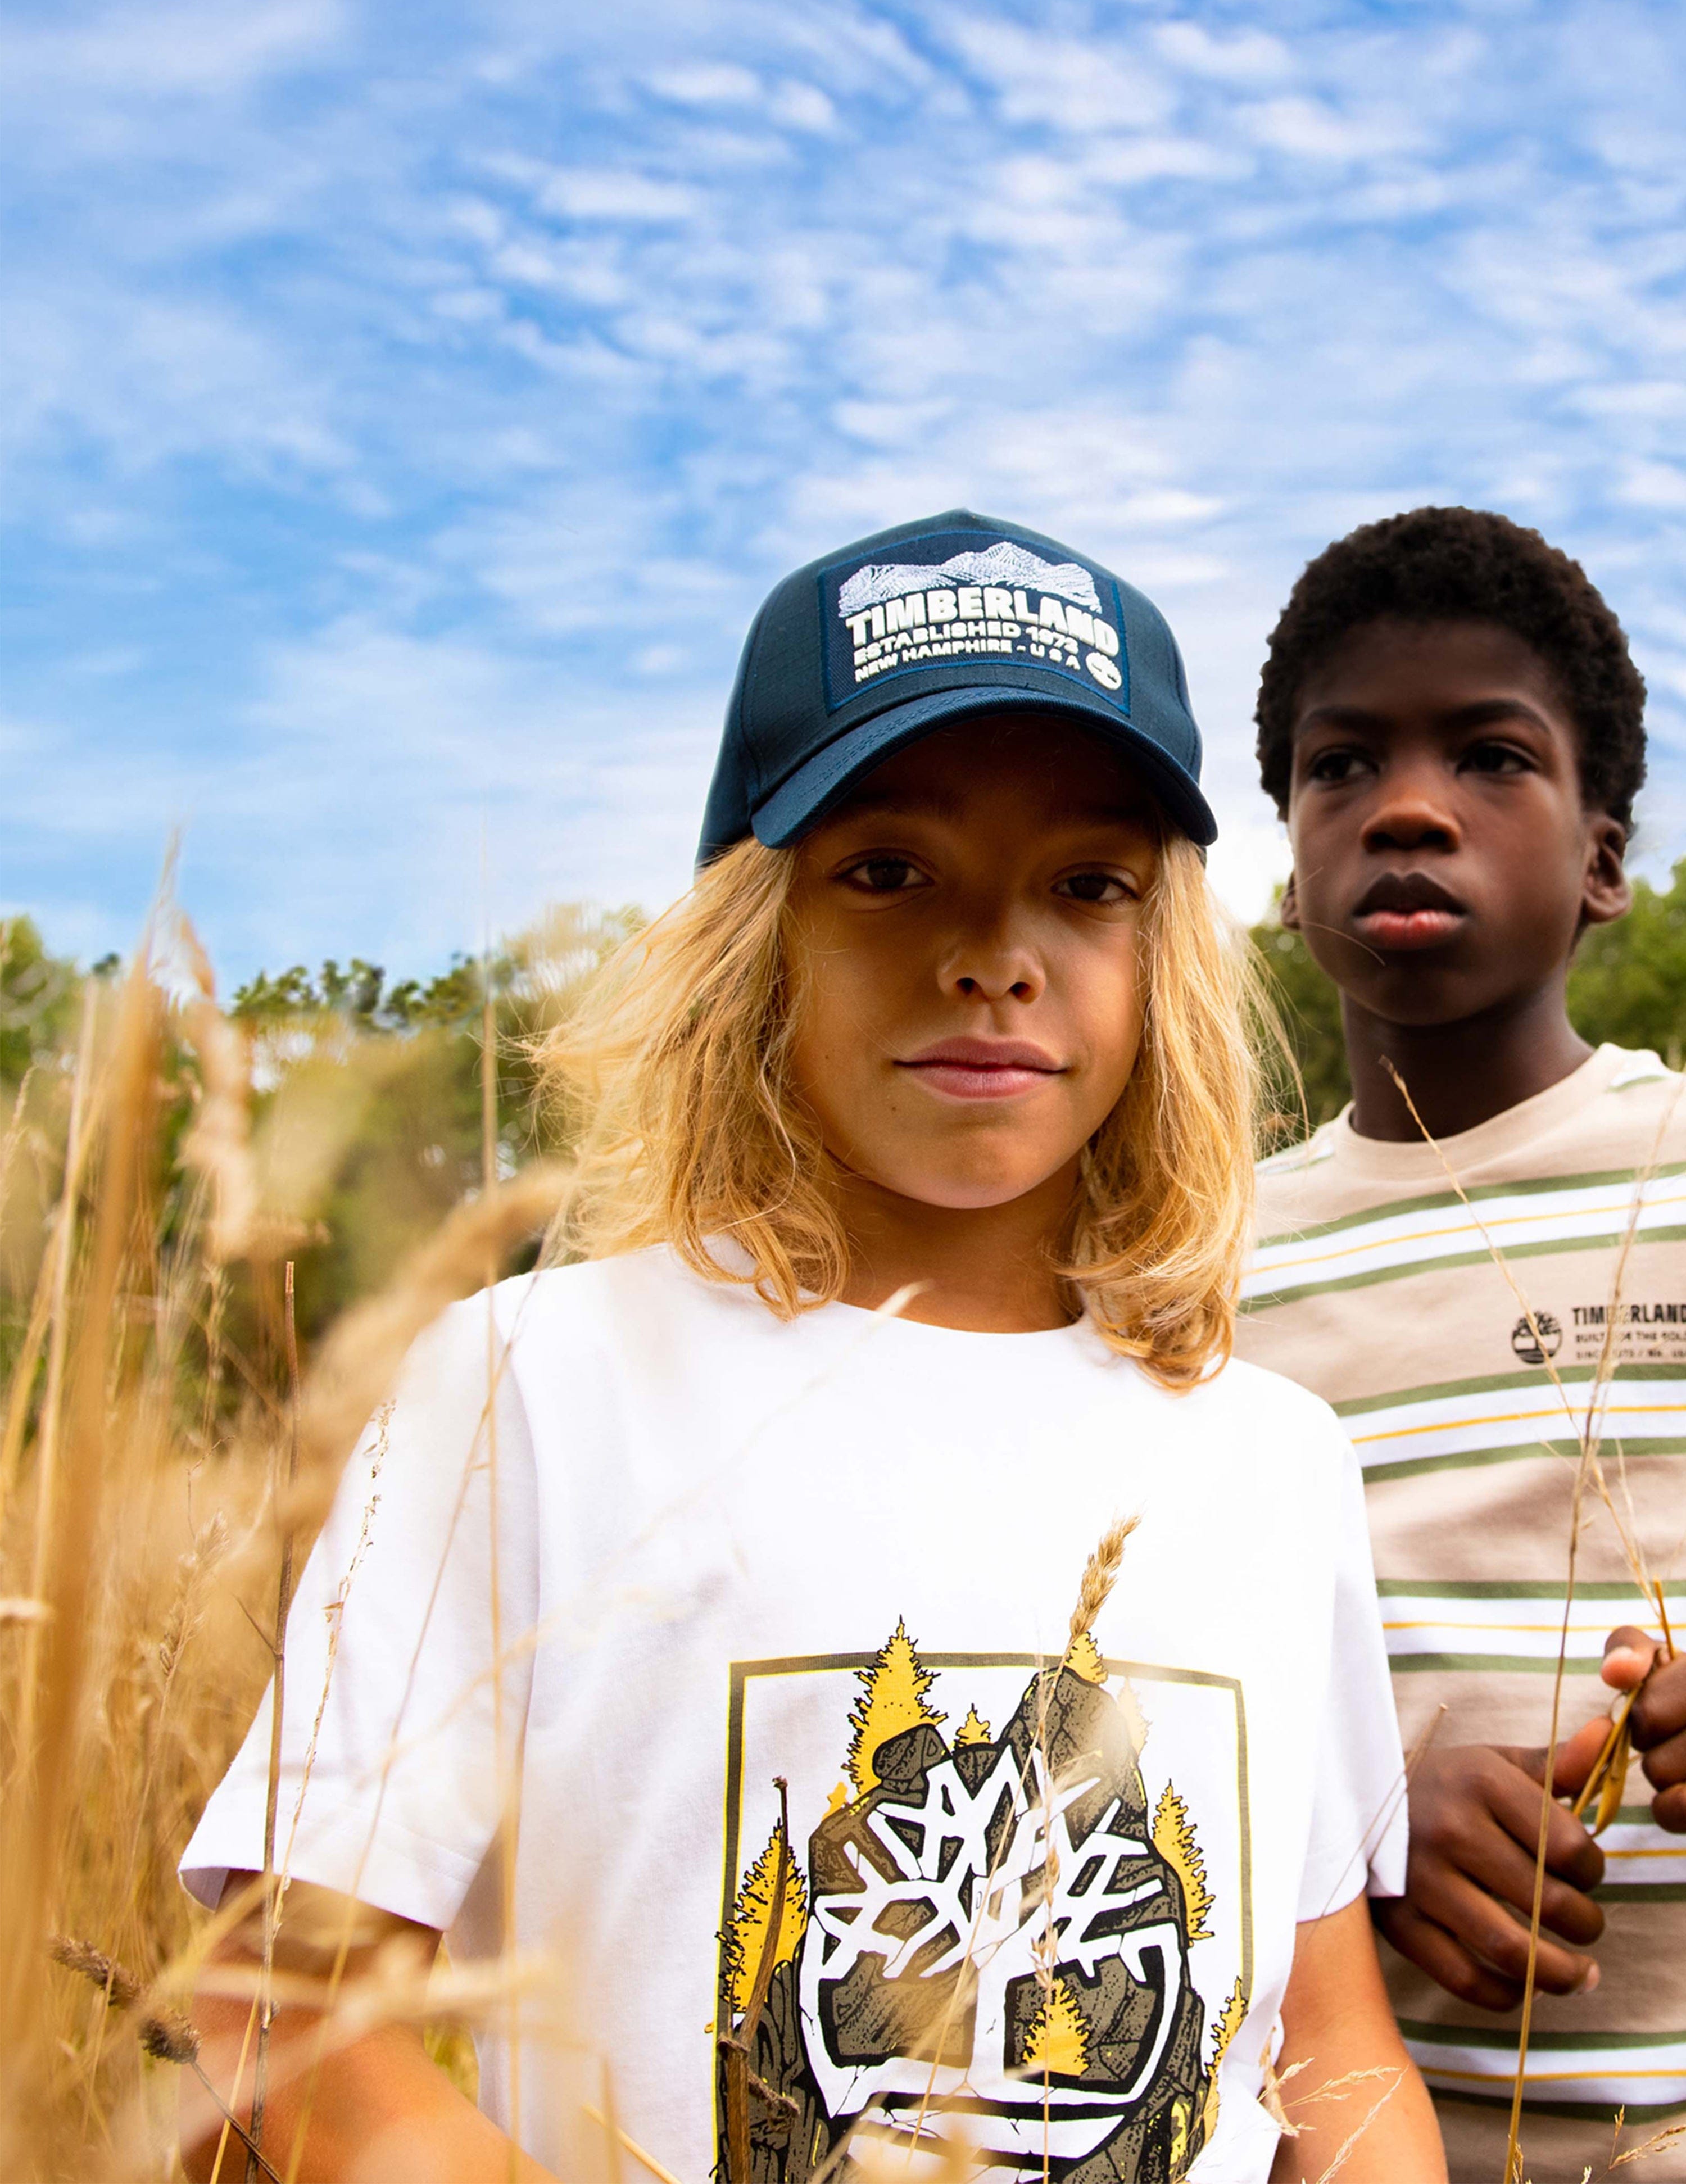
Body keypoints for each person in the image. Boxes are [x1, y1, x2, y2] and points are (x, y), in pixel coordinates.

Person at [180, 509, 1442, 2184]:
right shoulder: (536, 1386)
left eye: (1087, 886)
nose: (995, 954)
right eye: (889, 870)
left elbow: (1330, 2046)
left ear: (1167, 961)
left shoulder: (1272, 1455)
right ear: (753, 935)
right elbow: (282, 2000)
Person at [1235, 505, 1686, 2182]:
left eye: (1492, 758)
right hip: (1359, 2138)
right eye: (1341, 767)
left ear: (1601, 856)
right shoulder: (1187, 1274)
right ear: (1290, 870)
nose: (1406, 807)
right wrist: (1358, 1833)